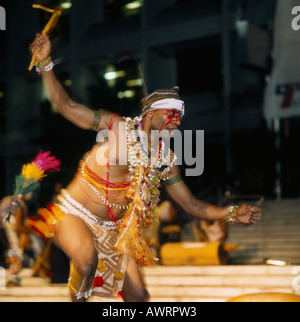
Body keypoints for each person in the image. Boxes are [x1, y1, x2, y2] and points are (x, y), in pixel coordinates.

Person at [28, 33, 262, 302]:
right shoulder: (116, 127)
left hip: (113, 231)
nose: (176, 122)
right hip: (72, 214)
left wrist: (232, 212)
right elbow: (66, 105)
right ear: (150, 113)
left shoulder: (164, 159)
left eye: (179, 118)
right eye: (171, 114)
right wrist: (45, 64)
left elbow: (192, 205)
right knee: (85, 261)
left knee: (139, 296)